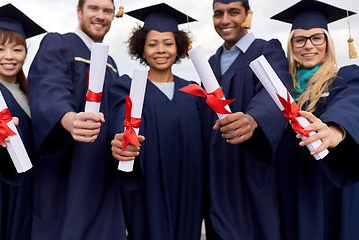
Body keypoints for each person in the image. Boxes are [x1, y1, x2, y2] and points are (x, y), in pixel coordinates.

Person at [27, 0, 126, 239]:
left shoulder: (111, 64)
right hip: (67, 170)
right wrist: (68, 118)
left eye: (107, 11)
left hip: (103, 170)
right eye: (94, 8)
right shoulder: (59, 43)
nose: (101, 15)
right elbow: (50, 85)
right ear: (79, 10)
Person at [109, 3, 203, 240]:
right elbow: (123, 118)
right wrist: (123, 139)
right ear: (141, 50)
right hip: (148, 187)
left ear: (179, 48)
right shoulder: (127, 86)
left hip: (189, 187)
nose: (161, 50)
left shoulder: (194, 91)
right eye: (152, 44)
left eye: (168, 43)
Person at [203, 0, 293, 239]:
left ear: (247, 15)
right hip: (217, 167)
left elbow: (277, 87)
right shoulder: (210, 63)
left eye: (234, 12)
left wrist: (254, 119)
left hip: (252, 165)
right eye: (218, 14)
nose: (225, 20)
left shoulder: (267, 49)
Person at [271, 1, 359, 240]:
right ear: (291, 45)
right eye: (299, 39)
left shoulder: (343, 78)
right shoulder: (280, 87)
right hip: (286, 183)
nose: (308, 46)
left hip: (326, 185)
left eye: (316, 38)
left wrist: (334, 131)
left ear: (327, 42)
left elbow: (353, 103)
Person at [0, 4, 46, 240]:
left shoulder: (33, 95)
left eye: (17, 49)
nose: (9, 56)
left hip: (31, 192)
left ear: (25, 52)